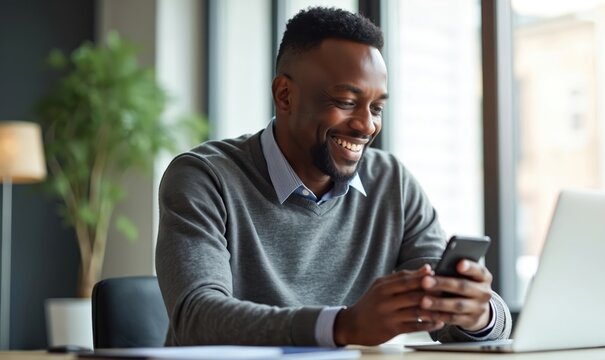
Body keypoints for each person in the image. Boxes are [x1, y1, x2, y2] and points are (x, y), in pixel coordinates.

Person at [155, 6, 511, 347]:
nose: (367, 125)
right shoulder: (204, 177)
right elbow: (196, 318)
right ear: (285, 95)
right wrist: (342, 325)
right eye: (345, 101)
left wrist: (475, 313)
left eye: (376, 108)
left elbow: (438, 301)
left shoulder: (393, 184)